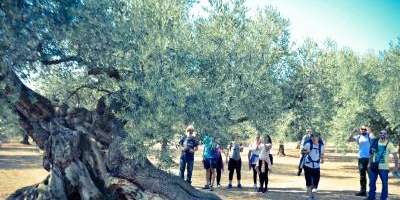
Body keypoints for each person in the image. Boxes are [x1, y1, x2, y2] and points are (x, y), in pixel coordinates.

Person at [365, 130, 399, 200]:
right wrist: (369, 163)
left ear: (387, 135)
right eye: (381, 133)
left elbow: (395, 156)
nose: (382, 134)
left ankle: (383, 198)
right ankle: (371, 197)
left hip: (384, 168)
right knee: (372, 183)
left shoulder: (389, 144)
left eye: (384, 133)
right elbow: (371, 154)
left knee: (384, 184)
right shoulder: (375, 142)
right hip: (374, 166)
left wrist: (396, 166)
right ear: (379, 134)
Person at [348, 126, 374, 196]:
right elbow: (349, 140)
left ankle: (372, 191)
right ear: (360, 130)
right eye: (362, 129)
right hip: (361, 158)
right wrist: (353, 132)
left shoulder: (370, 136)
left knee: (371, 176)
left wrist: (369, 130)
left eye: (364, 129)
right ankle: (363, 191)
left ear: (366, 130)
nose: (363, 130)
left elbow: (373, 138)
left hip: (369, 158)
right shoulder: (358, 137)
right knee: (362, 176)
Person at [302, 133, 325, 200]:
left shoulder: (321, 146)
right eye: (313, 137)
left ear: (318, 138)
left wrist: (322, 159)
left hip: (316, 166)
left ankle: (312, 195)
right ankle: (310, 197)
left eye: (316, 137)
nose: (314, 139)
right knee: (309, 182)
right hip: (308, 165)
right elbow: (302, 152)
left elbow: (322, 154)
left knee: (315, 182)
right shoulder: (308, 144)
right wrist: (306, 152)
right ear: (311, 138)